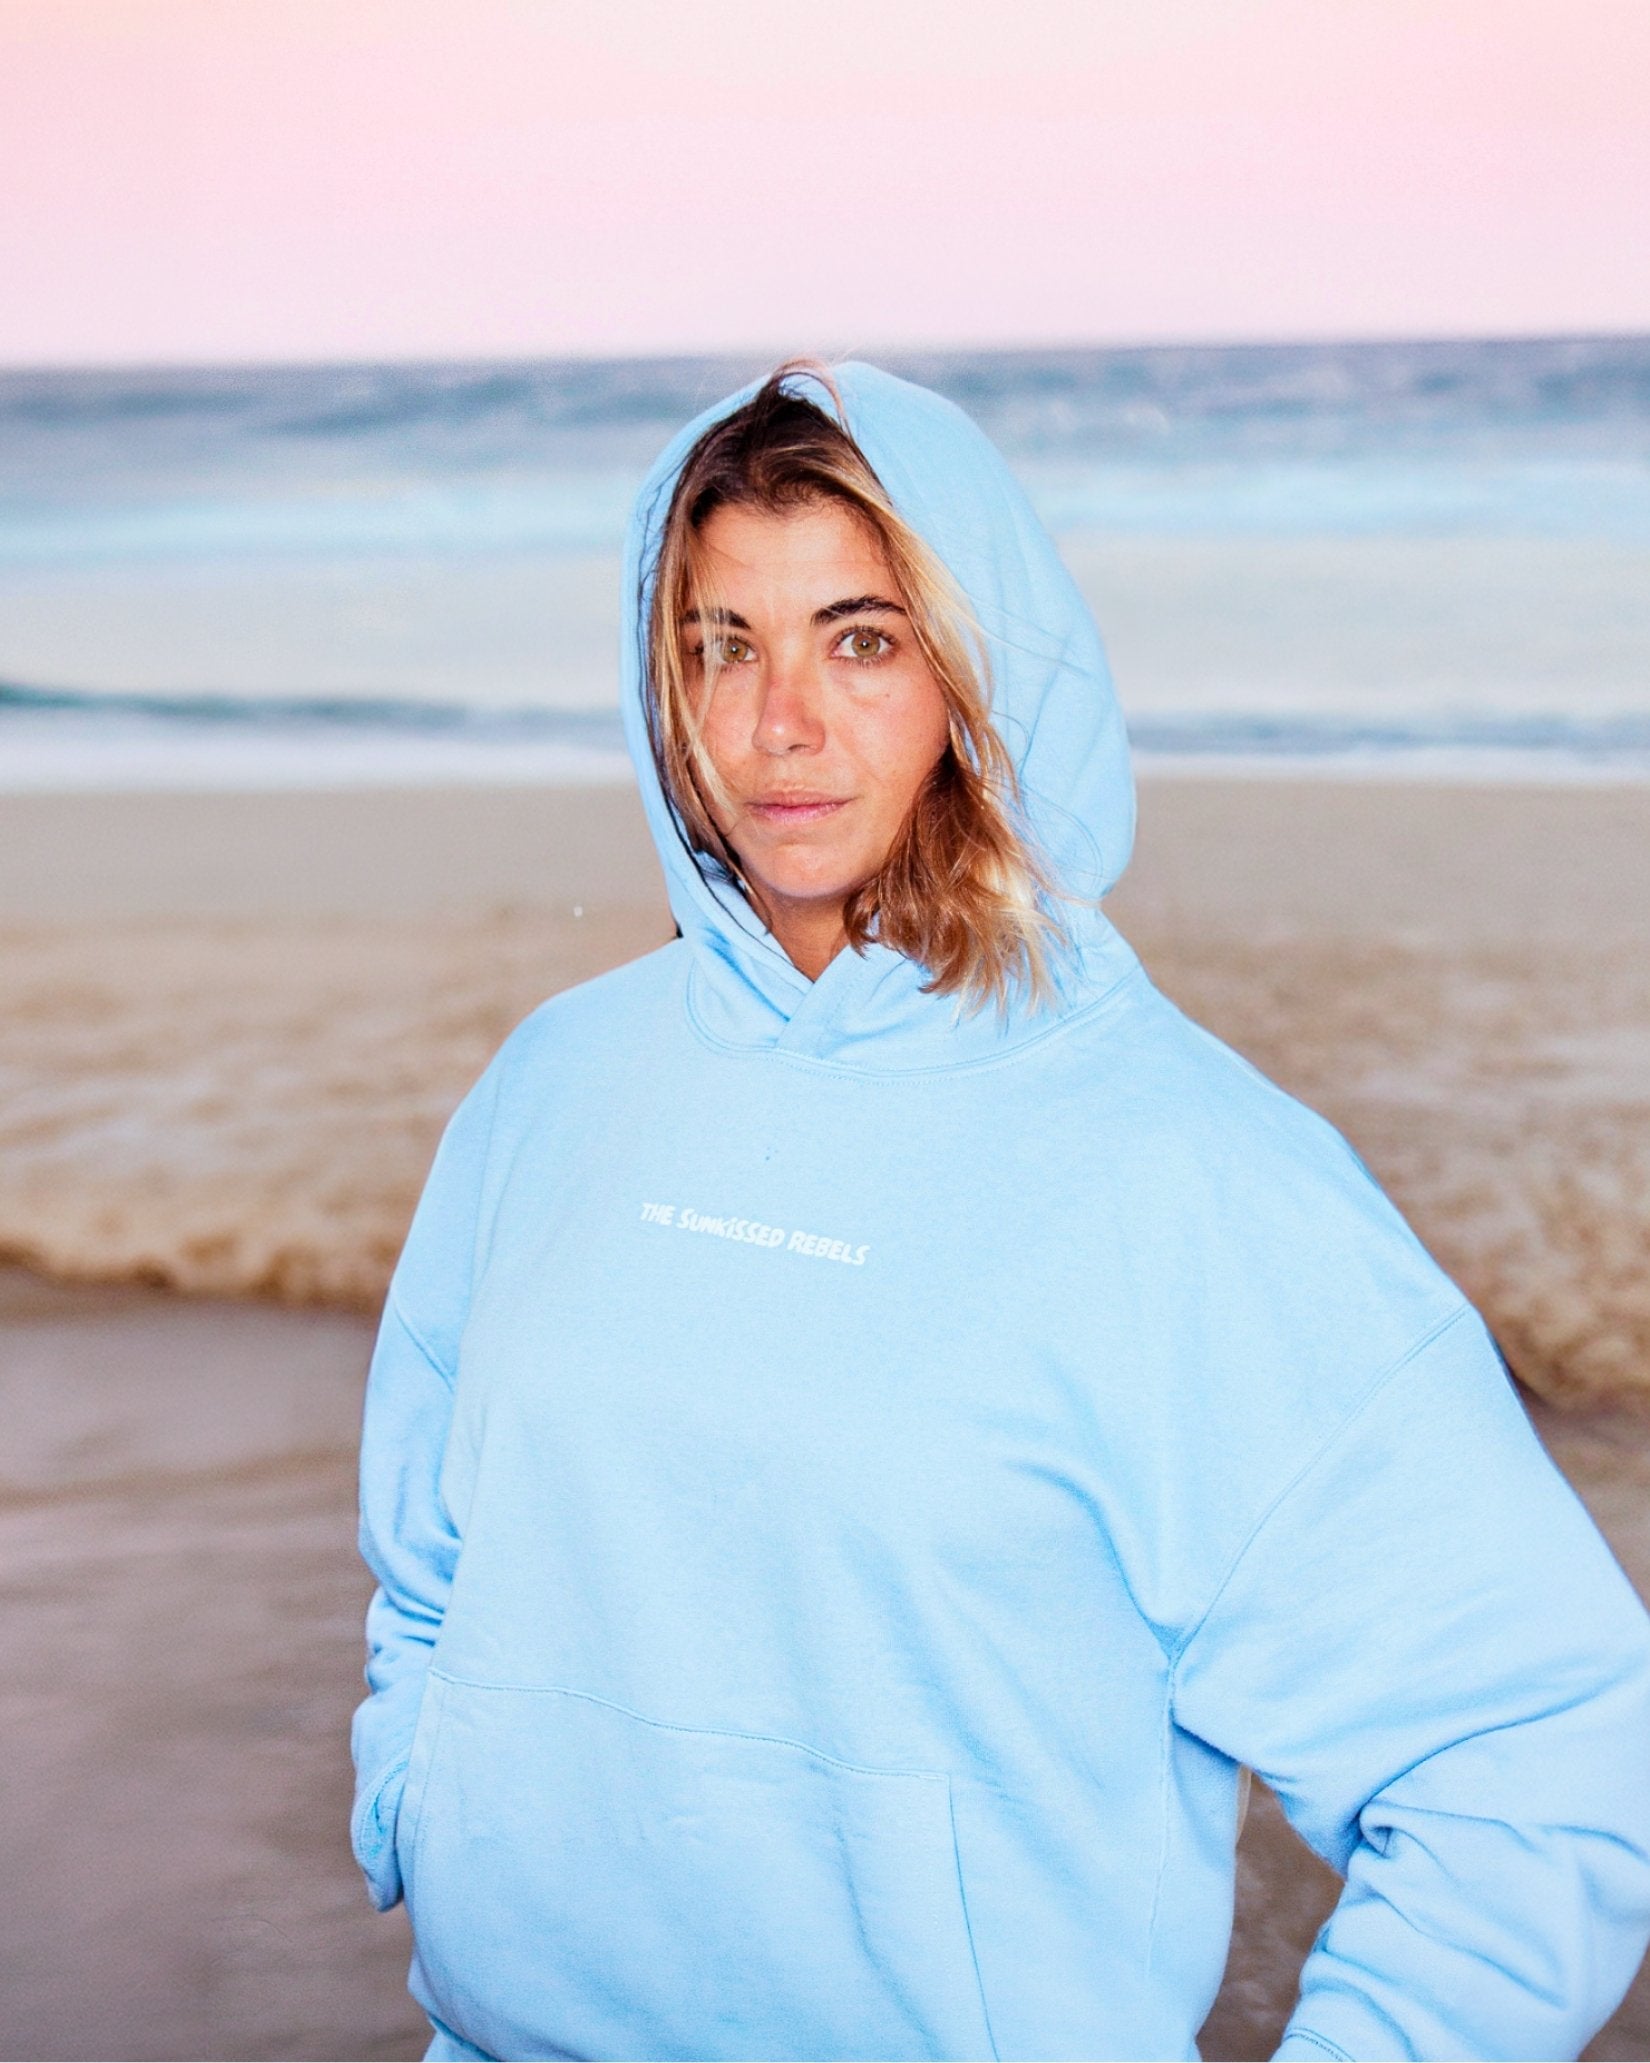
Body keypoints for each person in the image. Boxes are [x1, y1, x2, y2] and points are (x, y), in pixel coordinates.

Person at [350, 361, 1650, 2063]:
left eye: (860, 639)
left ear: (980, 671)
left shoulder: (1183, 1170)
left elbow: (1537, 1760)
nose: (778, 723)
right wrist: (419, 1793)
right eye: (721, 644)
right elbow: (433, 1560)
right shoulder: (559, 1081)